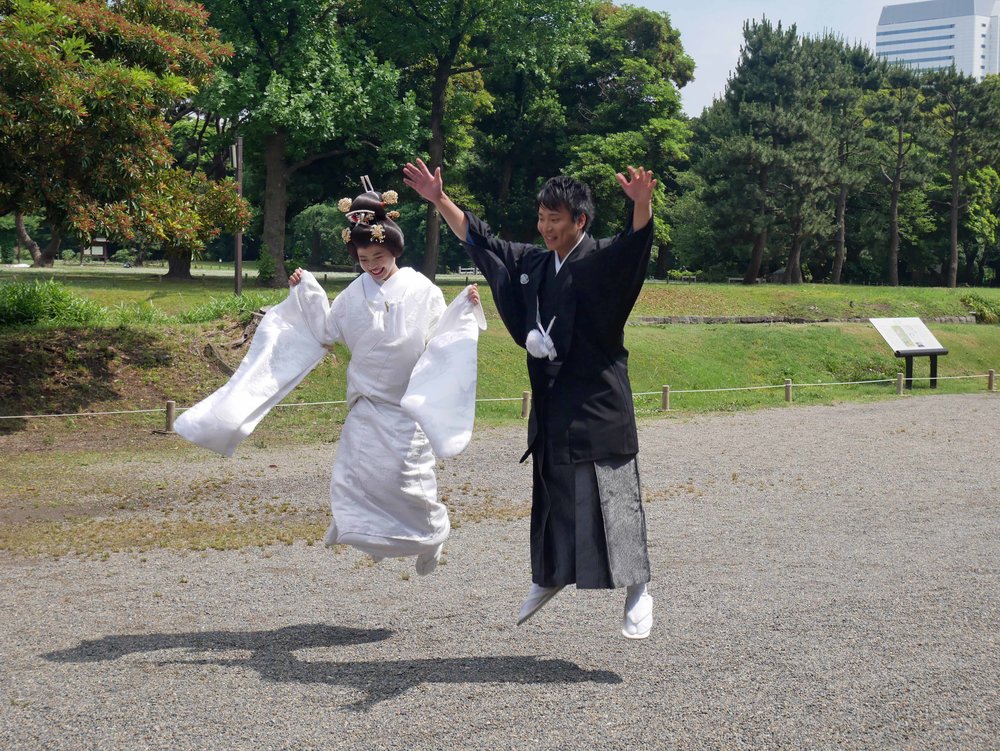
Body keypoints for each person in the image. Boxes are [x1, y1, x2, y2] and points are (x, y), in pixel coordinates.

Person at [176, 180, 482, 577]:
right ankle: (368, 532)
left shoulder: (422, 289)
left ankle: (432, 534)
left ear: (394, 251)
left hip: (407, 404)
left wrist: (464, 308)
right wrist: (306, 291)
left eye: (379, 255)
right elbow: (325, 331)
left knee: (408, 478)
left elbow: (441, 336)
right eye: (363, 257)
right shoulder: (354, 296)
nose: (372, 263)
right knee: (356, 476)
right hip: (368, 403)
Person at [404, 159, 656, 639]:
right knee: (556, 492)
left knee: (613, 494)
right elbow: (484, 242)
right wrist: (440, 199)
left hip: (599, 398)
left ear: (579, 221)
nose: (544, 228)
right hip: (553, 400)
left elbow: (634, 247)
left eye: (554, 220)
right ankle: (550, 575)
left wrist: (641, 204)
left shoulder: (601, 259)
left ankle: (638, 588)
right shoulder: (537, 261)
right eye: (541, 218)